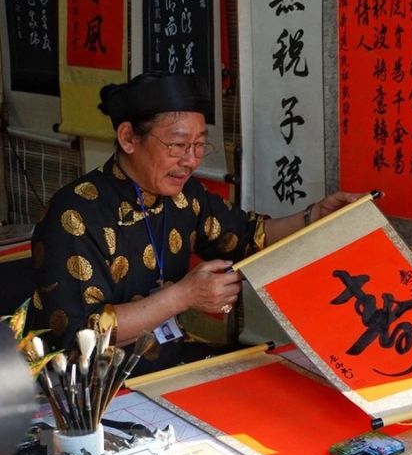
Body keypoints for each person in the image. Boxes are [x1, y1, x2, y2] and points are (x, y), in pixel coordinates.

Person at [27, 71, 360, 373]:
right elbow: (80, 333)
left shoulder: (184, 195)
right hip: (92, 388)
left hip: (169, 364)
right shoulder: (74, 214)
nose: (190, 160)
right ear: (128, 138)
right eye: (178, 145)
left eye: (199, 145)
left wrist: (312, 217)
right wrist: (183, 296)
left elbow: (247, 236)